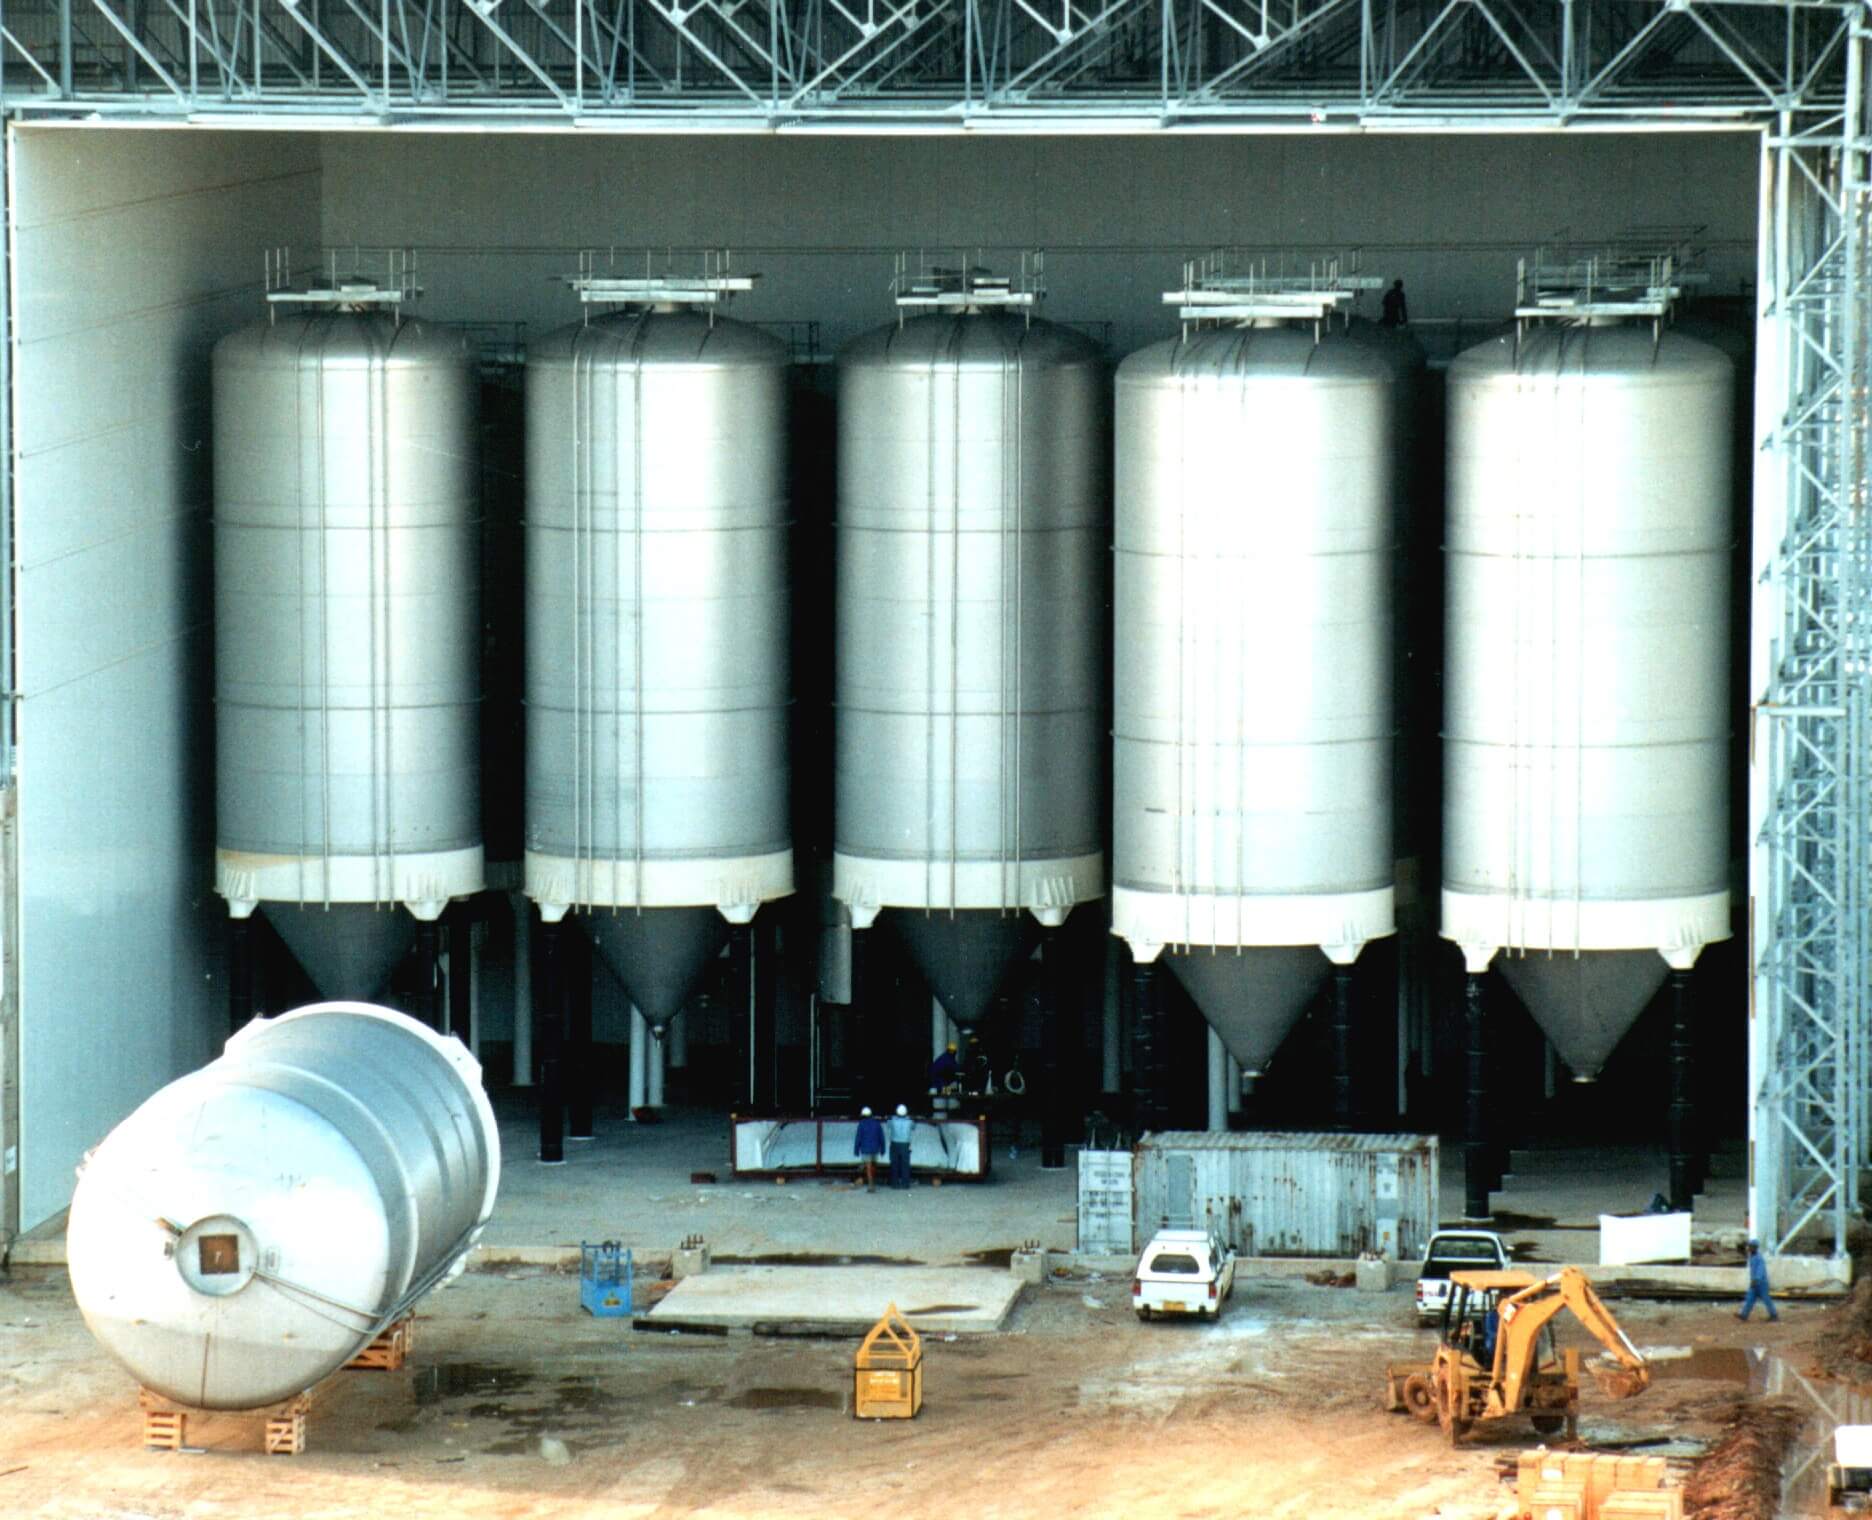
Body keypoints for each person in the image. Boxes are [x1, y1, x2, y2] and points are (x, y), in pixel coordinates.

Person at [1738, 1239, 1779, 1322]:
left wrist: (1756, 1279)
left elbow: (1760, 1270)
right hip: (1754, 1282)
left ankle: (1774, 1314)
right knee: (1749, 1298)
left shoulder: (1759, 1258)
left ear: (1755, 1247)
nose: (1749, 1248)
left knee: (1766, 1299)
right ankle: (1744, 1314)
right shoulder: (1752, 1257)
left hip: (1761, 1283)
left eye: (1750, 1246)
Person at [853, 1106, 886, 1193]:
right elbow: (881, 1137)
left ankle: (870, 1185)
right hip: (875, 1148)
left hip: (865, 1148)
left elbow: (858, 1138)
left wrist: (856, 1149)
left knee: (868, 1167)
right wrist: (883, 1149)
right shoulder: (877, 1123)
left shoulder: (861, 1124)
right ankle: (872, 1181)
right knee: (873, 1166)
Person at [887, 1103, 915, 1190]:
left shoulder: (892, 1120)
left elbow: (888, 1125)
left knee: (894, 1163)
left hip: (895, 1143)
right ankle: (905, 1184)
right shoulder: (910, 1121)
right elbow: (914, 1127)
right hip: (905, 1144)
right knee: (905, 1164)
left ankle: (894, 1184)